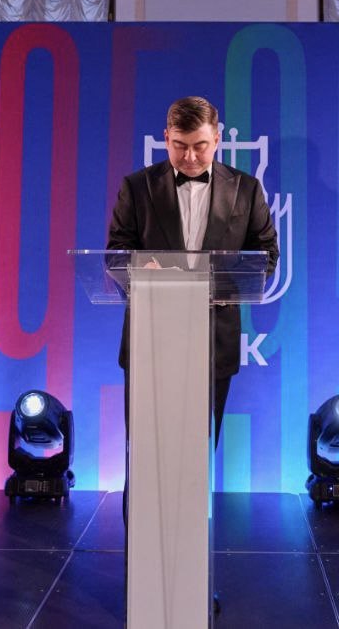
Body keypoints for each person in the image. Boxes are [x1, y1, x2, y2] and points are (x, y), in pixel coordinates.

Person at [107, 96, 279, 441]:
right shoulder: (137, 187)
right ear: (165, 137)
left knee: (201, 450)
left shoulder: (246, 189)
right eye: (179, 146)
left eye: (199, 146)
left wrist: (223, 287)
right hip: (150, 337)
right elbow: (115, 254)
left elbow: (267, 255)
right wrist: (140, 270)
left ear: (217, 139)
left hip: (215, 338)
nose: (189, 157)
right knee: (145, 448)